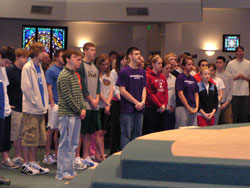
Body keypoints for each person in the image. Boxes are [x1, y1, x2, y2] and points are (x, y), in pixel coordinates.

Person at [55, 49, 86, 181]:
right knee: (65, 144)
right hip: (68, 114)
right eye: (76, 58)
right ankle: (62, 172)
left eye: (80, 59)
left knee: (73, 144)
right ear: (67, 59)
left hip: (76, 114)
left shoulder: (74, 75)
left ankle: (70, 169)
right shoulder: (64, 75)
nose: (79, 61)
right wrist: (79, 110)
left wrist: (83, 107)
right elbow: (68, 97)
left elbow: (79, 94)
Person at [21, 42, 49, 175]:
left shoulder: (39, 67)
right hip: (31, 109)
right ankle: (26, 163)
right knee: (29, 136)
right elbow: (26, 88)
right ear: (37, 52)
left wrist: (44, 105)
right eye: (43, 51)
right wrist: (36, 102)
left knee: (37, 137)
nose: (45, 54)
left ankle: (32, 161)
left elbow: (42, 88)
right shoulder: (28, 67)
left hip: (40, 109)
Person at [117, 47, 146, 149]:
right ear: (130, 56)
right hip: (127, 109)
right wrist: (136, 102)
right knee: (126, 134)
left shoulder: (142, 72)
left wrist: (142, 102)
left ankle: (135, 157)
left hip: (140, 108)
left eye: (139, 53)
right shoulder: (124, 71)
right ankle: (124, 157)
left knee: (137, 134)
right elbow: (122, 91)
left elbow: (144, 89)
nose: (139, 56)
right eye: (136, 54)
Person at [76, 42, 99, 167]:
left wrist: (97, 99)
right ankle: (77, 156)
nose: (94, 52)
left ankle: (86, 156)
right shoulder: (81, 66)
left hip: (94, 105)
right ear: (85, 51)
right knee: (81, 132)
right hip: (85, 104)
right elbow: (82, 86)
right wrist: (90, 99)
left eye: (94, 50)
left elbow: (98, 86)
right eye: (91, 50)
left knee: (89, 132)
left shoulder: (95, 67)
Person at [6, 48, 28, 167]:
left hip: (23, 106)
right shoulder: (10, 71)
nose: (26, 60)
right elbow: (5, 88)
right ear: (18, 57)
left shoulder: (24, 71)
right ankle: (16, 156)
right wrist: (7, 103)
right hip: (14, 106)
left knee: (22, 134)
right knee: (15, 134)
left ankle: (20, 156)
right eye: (24, 57)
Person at [43, 49, 64, 165]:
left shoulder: (65, 70)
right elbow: (49, 87)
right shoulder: (51, 70)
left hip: (62, 103)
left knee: (59, 130)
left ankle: (57, 153)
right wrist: (52, 103)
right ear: (56, 57)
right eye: (61, 57)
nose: (63, 59)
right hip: (54, 103)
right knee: (51, 129)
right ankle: (47, 154)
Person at [0, 46, 16, 185]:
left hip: (3, 111)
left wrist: (6, 107)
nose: (7, 65)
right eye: (6, 62)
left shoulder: (2, 69)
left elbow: (4, 89)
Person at [143, 54, 168, 135]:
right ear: (153, 64)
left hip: (162, 109)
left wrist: (164, 105)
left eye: (161, 63)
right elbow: (149, 93)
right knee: (151, 132)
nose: (161, 65)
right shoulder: (147, 76)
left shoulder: (163, 77)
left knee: (161, 132)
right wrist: (159, 105)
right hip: (151, 108)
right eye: (158, 63)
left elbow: (165, 92)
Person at [96, 53, 113, 162]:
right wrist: (106, 103)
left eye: (107, 64)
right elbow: (98, 91)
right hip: (100, 106)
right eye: (103, 64)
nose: (105, 66)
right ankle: (101, 154)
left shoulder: (109, 75)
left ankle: (98, 154)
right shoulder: (97, 75)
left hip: (108, 105)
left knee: (104, 132)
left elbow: (112, 89)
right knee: (99, 132)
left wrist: (109, 103)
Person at [226, 46, 250, 123]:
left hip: (245, 92)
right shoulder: (231, 64)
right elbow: (227, 78)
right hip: (234, 92)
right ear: (236, 53)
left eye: (242, 51)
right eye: (239, 51)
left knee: (244, 113)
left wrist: (245, 77)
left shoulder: (248, 63)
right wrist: (235, 77)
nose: (241, 53)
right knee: (235, 113)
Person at [110, 54, 127, 155]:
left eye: (126, 59)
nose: (125, 61)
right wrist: (121, 98)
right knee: (115, 127)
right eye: (124, 59)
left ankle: (121, 149)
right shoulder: (113, 72)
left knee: (123, 127)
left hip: (125, 101)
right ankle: (113, 151)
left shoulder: (126, 71)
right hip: (117, 101)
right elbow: (114, 87)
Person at [175, 56, 199, 128]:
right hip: (182, 107)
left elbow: (196, 94)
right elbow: (180, 94)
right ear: (183, 66)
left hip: (193, 107)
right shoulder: (180, 77)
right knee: (182, 129)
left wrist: (197, 107)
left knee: (192, 129)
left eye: (192, 64)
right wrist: (188, 108)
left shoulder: (193, 79)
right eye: (189, 64)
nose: (191, 66)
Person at [215, 56, 233, 124]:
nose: (218, 64)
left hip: (226, 102)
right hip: (216, 102)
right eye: (217, 62)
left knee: (228, 121)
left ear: (224, 63)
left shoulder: (229, 76)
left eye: (220, 62)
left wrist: (227, 102)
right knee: (216, 121)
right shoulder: (213, 75)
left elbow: (231, 90)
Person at [162, 60, 176, 130]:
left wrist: (174, 106)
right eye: (166, 68)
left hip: (172, 108)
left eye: (170, 68)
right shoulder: (159, 78)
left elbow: (175, 94)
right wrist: (166, 106)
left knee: (171, 129)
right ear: (162, 68)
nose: (168, 70)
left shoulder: (174, 79)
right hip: (162, 108)